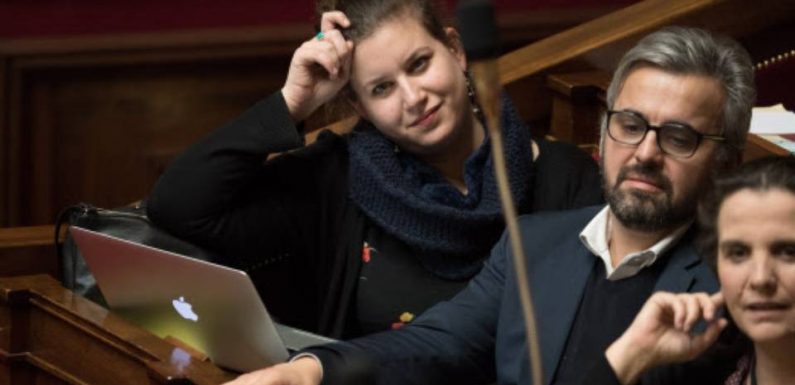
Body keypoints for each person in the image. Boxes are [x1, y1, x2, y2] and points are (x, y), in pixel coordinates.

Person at [220, 26, 757, 385]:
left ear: (726, 162)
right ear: (604, 129)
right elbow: (438, 341)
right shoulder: (535, 241)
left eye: (679, 137)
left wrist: (628, 359)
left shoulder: (734, 290)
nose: (644, 153)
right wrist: (308, 371)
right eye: (631, 124)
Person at [146, 0, 603, 339]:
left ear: (456, 51)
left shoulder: (564, 175)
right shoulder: (336, 179)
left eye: (420, 64)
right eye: (382, 88)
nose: (412, 98)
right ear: (357, 104)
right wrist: (293, 103)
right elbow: (180, 205)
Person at [595, 156, 795, 385]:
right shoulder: (710, 372)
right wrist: (632, 353)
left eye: (788, 252)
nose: (760, 278)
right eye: (738, 253)